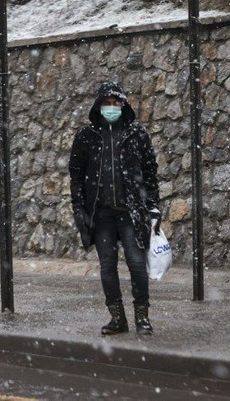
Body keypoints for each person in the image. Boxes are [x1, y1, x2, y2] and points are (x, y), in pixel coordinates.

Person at [69, 82, 161, 335]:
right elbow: (76, 175)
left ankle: (142, 317)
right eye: (106, 103)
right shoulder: (86, 137)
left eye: (116, 103)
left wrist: (152, 206)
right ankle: (117, 318)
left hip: (131, 212)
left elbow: (150, 173)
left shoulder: (136, 134)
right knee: (107, 266)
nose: (111, 108)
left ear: (123, 105)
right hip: (101, 214)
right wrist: (80, 209)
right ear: (98, 106)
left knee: (136, 263)